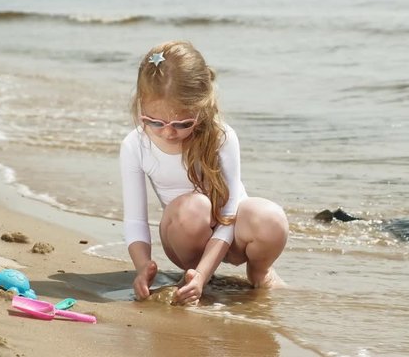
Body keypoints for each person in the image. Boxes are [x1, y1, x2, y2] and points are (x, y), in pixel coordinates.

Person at [120, 41, 288, 305]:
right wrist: (142, 266)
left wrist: (204, 272)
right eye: (154, 121)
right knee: (194, 206)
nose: (168, 132)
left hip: (232, 234)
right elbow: (135, 221)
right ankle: (195, 275)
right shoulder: (135, 145)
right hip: (186, 236)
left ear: (201, 107)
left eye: (182, 123)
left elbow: (231, 212)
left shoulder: (222, 136)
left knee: (271, 218)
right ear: (141, 105)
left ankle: (259, 271)